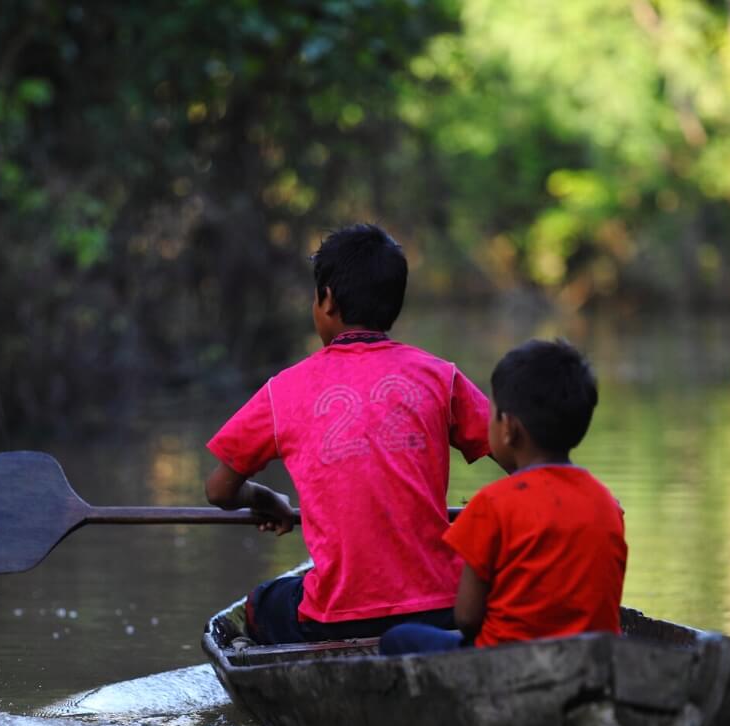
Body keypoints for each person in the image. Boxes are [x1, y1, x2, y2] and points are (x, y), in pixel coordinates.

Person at [205, 223, 494, 644]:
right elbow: (524, 458)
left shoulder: (282, 391)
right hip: (443, 611)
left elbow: (219, 491)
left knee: (260, 605)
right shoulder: (441, 377)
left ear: (326, 300)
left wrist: (264, 498)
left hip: (335, 617)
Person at [379, 339, 626, 655]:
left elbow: (467, 617)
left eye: (492, 412)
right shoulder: (607, 504)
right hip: (592, 658)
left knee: (397, 639)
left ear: (508, 428)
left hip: (504, 665)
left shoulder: (492, 505)